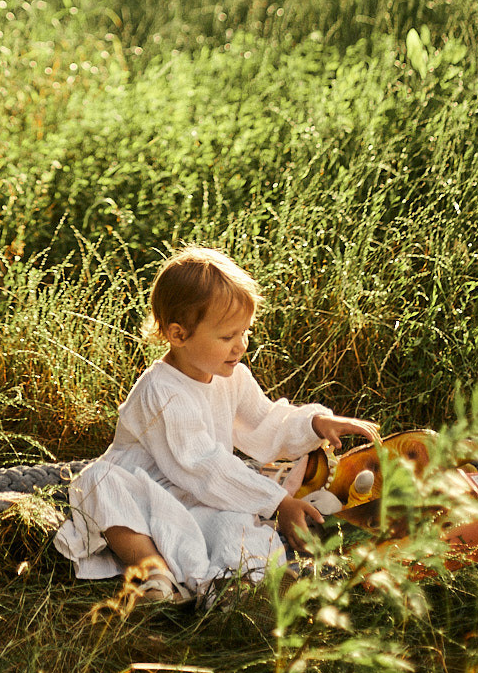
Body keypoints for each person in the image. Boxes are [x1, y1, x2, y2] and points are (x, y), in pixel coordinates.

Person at [53, 245, 380, 602]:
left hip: (200, 496)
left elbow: (264, 422)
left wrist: (314, 423)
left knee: (234, 527)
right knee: (98, 483)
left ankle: (245, 587)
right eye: (227, 337)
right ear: (178, 336)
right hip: (146, 489)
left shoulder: (231, 376)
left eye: (245, 333)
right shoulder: (162, 390)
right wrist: (276, 502)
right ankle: (155, 575)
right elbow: (201, 464)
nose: (240, 346)